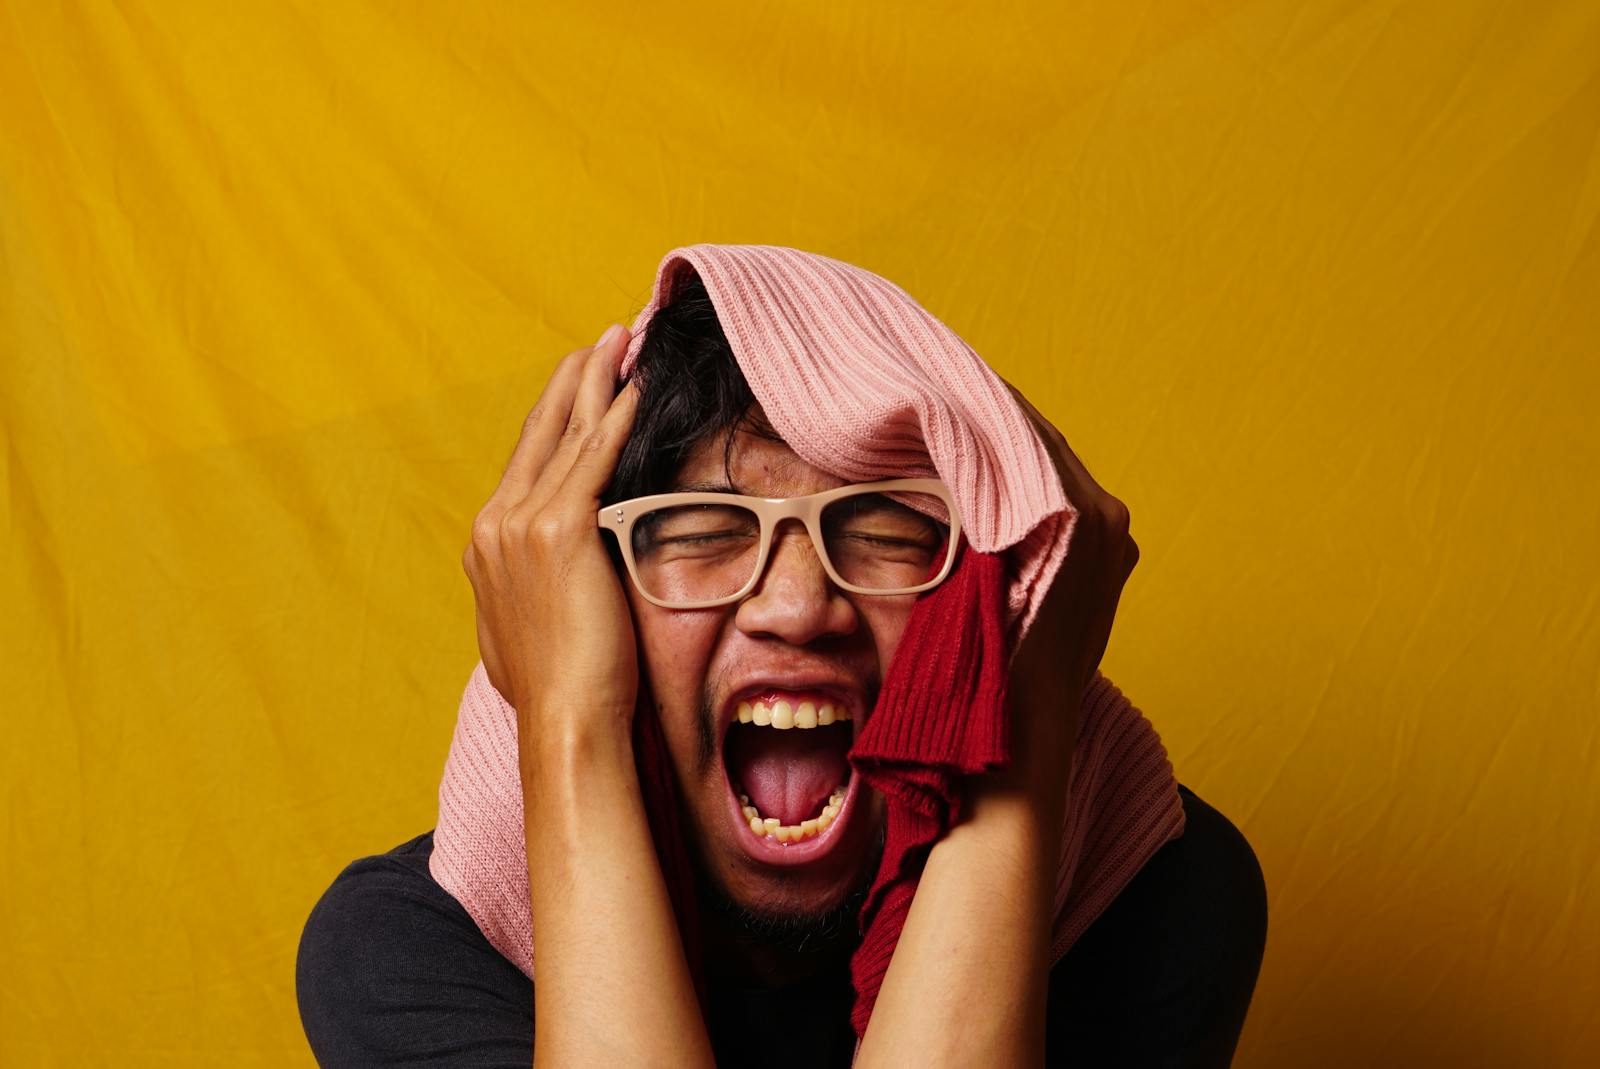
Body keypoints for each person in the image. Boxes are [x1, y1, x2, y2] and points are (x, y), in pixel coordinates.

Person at [296, 268, 1268, 1067]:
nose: (797, 605)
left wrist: (1024, 723)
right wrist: (566, 724)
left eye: (888, 527)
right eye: (701, 530)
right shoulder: (408, 953)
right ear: (582, 607)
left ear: (980, 601)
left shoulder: (1153, 905)